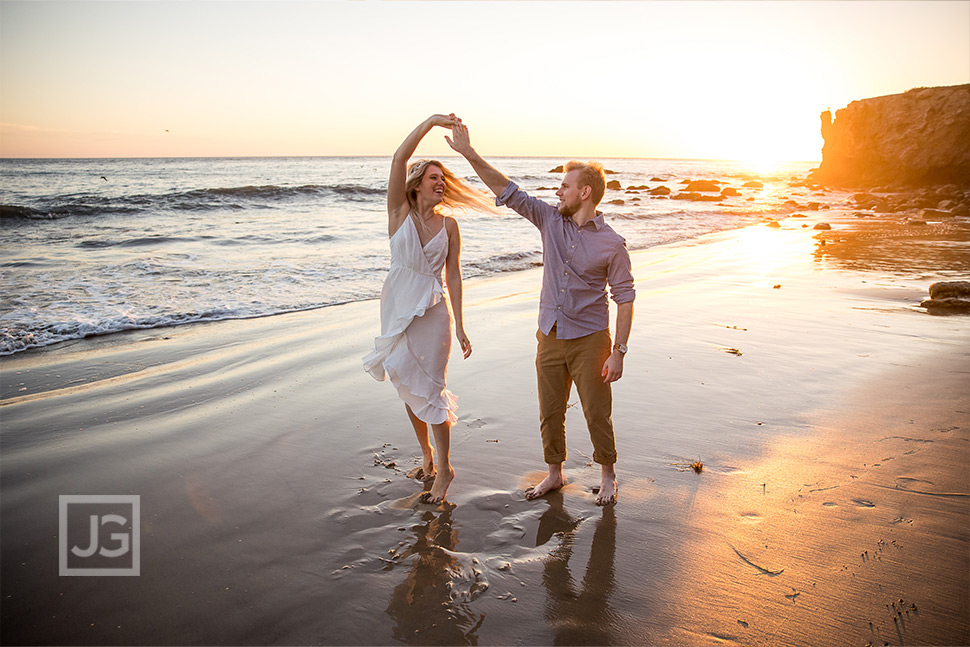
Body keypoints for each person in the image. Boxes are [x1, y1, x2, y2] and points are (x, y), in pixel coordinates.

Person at [447, 120, 635, 506]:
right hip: (548, 334)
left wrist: (619, 350)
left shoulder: (612, 244)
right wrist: (469, 153)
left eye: (565, 186)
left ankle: (608, 473)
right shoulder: (550, 220)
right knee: (550, 411)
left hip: (590, 340)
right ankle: (554, 472)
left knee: (596, 412)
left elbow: (625, 297)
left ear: (585, 192)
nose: (558, 190)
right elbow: (508, 191)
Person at [363, 114, 493, 504]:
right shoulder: (398, 214)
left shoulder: (450, 226)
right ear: (417, 186)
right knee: (407, 384)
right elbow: (399, 158)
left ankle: (446, 468)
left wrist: (461, 327)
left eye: (444, 179)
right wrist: (432, 122)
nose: (441, 184)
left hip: (435, 314)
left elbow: (453, 277)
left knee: (432, 390)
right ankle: (427, 456)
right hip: (398, 309)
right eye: (434, 178)